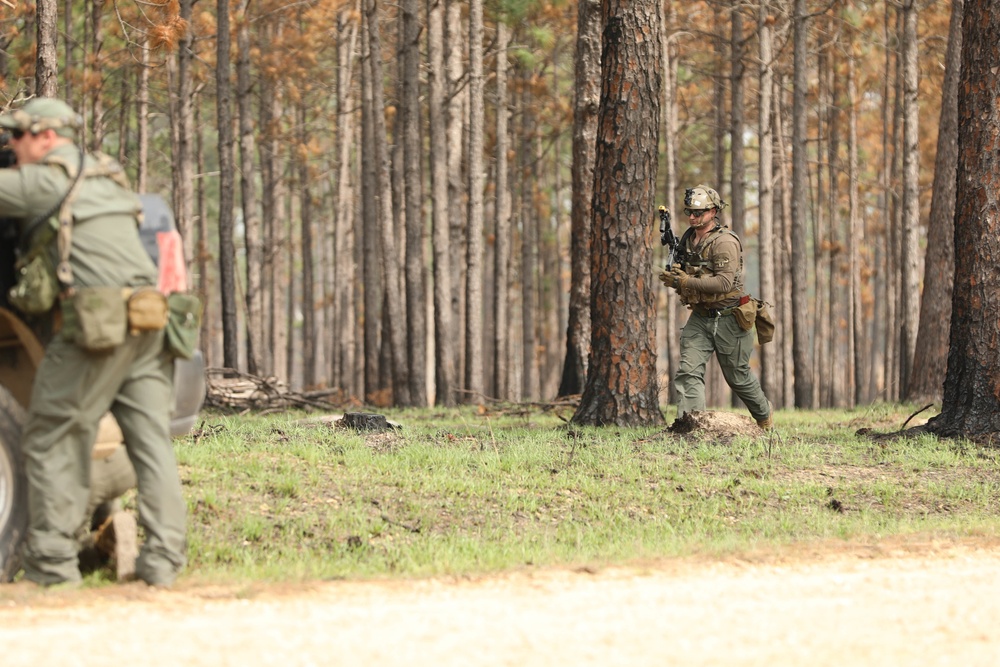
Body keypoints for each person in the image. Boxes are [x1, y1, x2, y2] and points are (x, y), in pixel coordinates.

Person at [0, 97, 186, 587]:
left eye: (16, 136)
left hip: (96, 328)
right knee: (150, 442)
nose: (11, 146)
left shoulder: (45, 180)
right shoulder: (107, 173)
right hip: (149, 323)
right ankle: (163, 563)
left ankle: (53, 568)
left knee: (48, 434)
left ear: (44, 136)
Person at [659, 184, 772, 429]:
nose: (692, 216)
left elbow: (723, 282)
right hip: (700, 317)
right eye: (689, 211)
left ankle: (764, 419)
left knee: (737, 376)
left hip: (731, 317)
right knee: (688, 370)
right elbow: (693, 277)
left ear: (713, 212)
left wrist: (685, 280)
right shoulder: (689, 238)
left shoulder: (724, 242)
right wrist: (678, 277)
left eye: (698, 212)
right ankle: (691, 426)